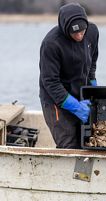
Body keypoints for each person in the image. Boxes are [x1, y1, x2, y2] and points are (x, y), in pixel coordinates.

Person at [39, 3, 99, 149]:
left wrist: (94, 90)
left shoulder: (92, 32)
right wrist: (75, 107)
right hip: (55, 100)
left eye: (82, 31)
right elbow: (50, 82)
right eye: (74, 33)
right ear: (65, 30)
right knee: (69, 145)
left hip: (80, 94)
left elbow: (92, 63)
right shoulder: (52, 44)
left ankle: (84, 173)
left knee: (87, 141)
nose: (79, 36)